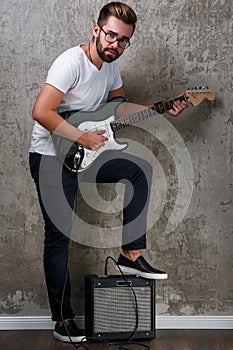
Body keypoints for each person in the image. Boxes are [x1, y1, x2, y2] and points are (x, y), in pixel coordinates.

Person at [29, 1, 187, 343]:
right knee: (60, 237)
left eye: (123, 40)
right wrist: (81, 135)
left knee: (138, 169)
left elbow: (117, 111)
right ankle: (63, 321)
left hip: (88, 150)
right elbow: (41, 111)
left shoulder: (112, 70)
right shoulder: (71, 62)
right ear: (96, 29)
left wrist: (161, 109)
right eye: (111, 35)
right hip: (50, 156)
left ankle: (131, 254)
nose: (115, 44)